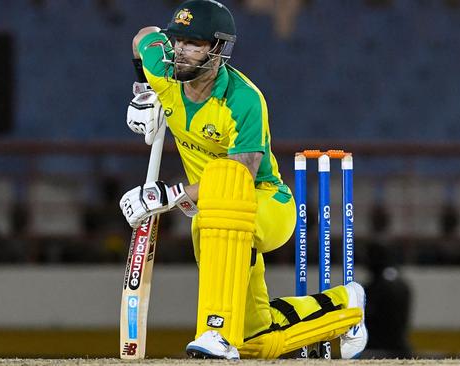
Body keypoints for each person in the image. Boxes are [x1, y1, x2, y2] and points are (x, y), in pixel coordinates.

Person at [119, 0, 368, 359]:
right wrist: (142, 91)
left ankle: (215, 330)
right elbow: (144, 36)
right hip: (215, 218)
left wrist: (168, 194)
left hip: (265, 204)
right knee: (257, 341)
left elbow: (238, 178)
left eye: (194, 43)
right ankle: (347, 308)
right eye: (177, 41)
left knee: (222, 190)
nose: (180, 51)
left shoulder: (244, 100)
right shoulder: (166, 74)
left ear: (219, 49)